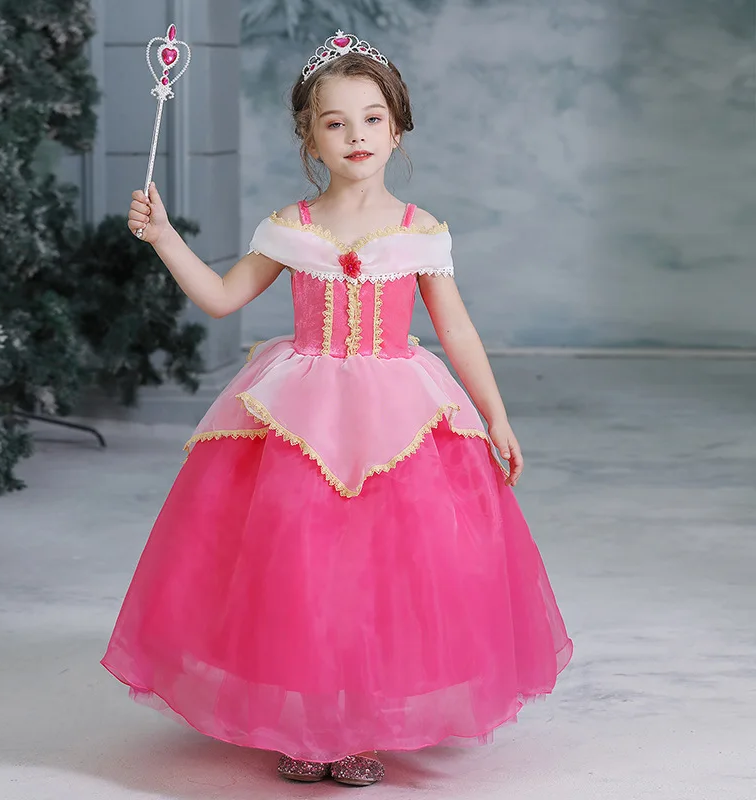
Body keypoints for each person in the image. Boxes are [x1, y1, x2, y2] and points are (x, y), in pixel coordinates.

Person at [102, 30, 573, 787]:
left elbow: (456, 330)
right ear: (310, 137)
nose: (357, 135)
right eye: (335, 122)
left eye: (373, 118)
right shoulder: (290, 229)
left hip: (398, 417)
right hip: (304, 416)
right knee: (301, 566)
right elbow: (221, 297)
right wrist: (162, 236)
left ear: (398, 129)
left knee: (385, 570)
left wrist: (496, 415)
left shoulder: (420, 233)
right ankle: (308, 724)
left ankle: (360, 724)